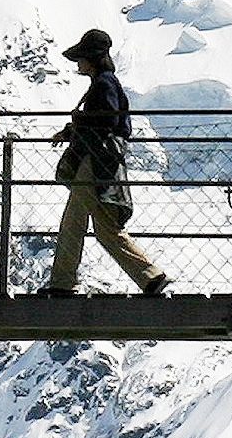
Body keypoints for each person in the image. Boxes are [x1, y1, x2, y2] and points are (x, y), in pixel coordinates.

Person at [46, 27, 169, 296]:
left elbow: (107, 120)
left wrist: (76, 126)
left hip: (93, 161)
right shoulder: (104, 83)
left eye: (82, 57)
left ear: (91, 58)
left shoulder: (103, 84)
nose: (78, 63)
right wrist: (73, 129)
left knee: (78, 222)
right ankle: (149, 276)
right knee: (97, 226)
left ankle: (62, 283)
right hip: (101, 162)